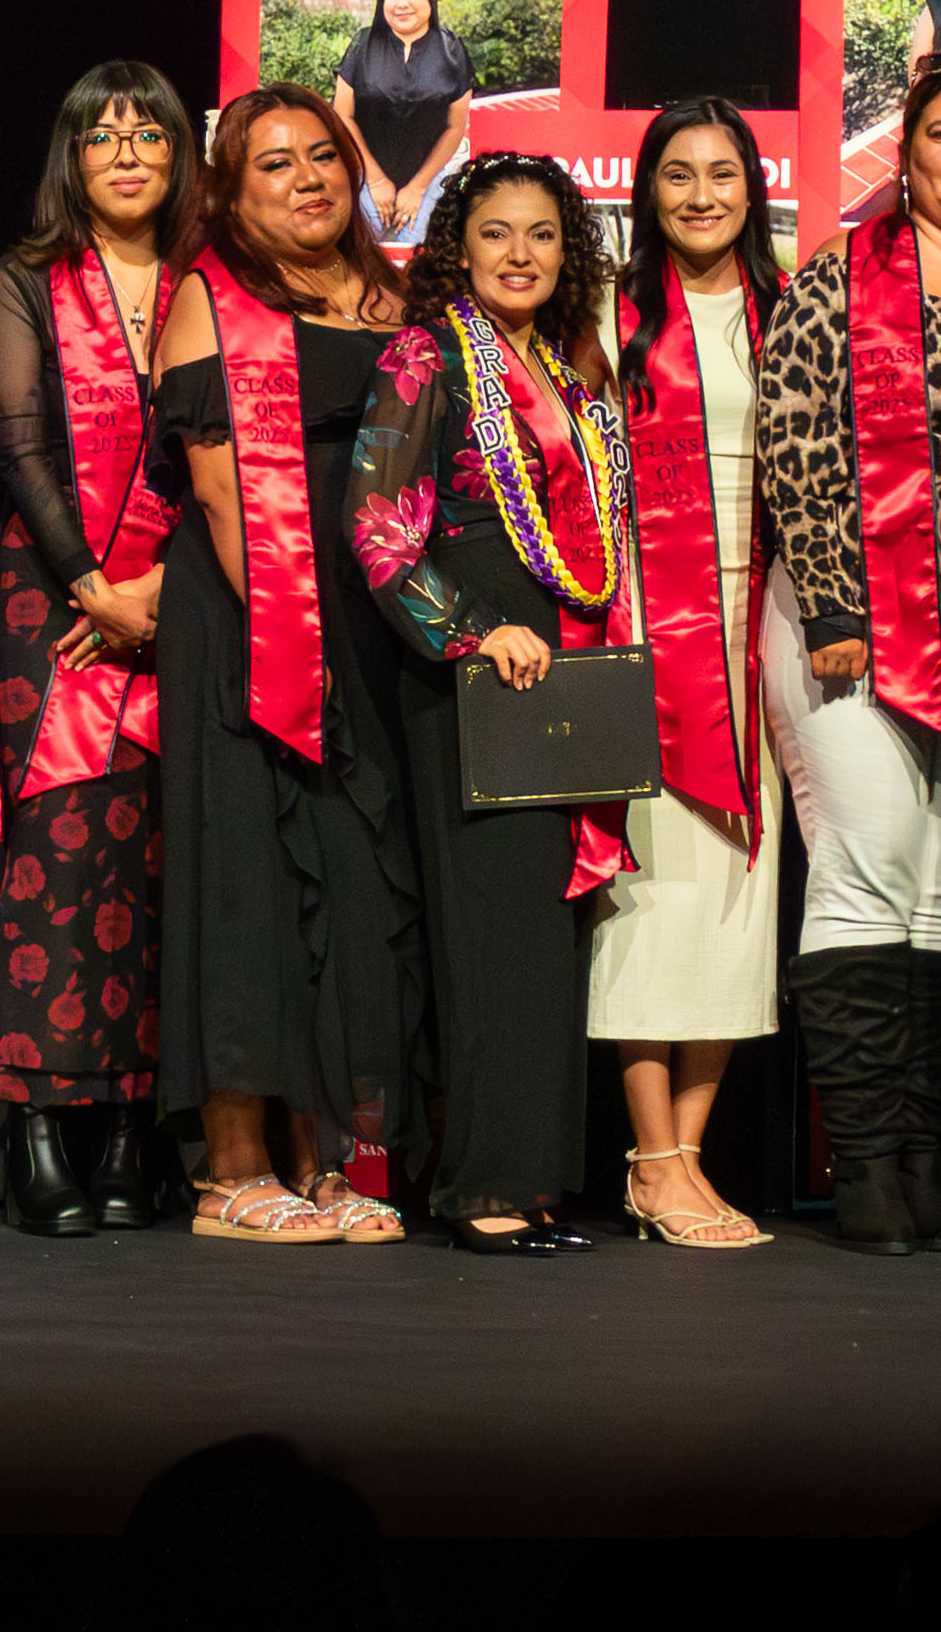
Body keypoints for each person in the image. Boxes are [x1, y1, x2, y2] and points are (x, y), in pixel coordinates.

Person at [753, 60, 941, 1254]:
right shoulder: (844, 271)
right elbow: (795, 431)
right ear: (908, 151)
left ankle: (928, 1151)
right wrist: (830, 605)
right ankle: (865, 1160)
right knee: (866, 865)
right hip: (848, 627)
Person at [149, 87, 430, 1248]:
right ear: (230, 189)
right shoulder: (212, 299)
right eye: (277, 164)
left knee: (352, 888)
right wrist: (288, 633)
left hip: (373, 622)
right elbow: (221, 492)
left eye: (325, 155)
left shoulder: (397, 295)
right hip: (251, 617)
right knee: (249, 887)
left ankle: (323, 1160)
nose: (310, 177)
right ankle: (227, 1170)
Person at [348, 151, 637, 1256]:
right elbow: (376, 525)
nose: (520, 254)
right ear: (457, 246)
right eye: (498, 233)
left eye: (543, 235)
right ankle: (477, 1187)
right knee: (488, 929)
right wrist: (470, 633)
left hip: (559, 670)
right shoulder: (426, 355)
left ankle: (532, 1174)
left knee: (546, 931)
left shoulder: (566, 369)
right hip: (472, 671)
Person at [0, 63, 197, 1232]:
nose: (124, 153)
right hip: (53, 607)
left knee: (156, 867)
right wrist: (98, 587)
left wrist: (159, 586)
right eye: (100, 136)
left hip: (180, 602)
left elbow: (227, 458)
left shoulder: (212, 283)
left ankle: (131, 1128)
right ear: (72, 156)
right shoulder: (25, 279)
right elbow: (22, 447)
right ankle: (40, 1124)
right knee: (57, 859)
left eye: (147, 132)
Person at [598, 100, 791, 1249]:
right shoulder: (606, 314)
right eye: (679, 174)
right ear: (649, 187)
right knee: (648, 899)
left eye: (723, 173)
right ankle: (651, 1153)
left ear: (753, 186)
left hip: (760, 622)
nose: (703, 194)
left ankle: (687, 1158)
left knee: (735, 899)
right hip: (637, 619)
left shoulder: (790, 310)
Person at [335, 0, 473, 253]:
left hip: (427, 176)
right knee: (361, 252)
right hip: (365, 172)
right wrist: (375, 179)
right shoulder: (363, 44)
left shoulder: (452, 50)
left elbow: (454, 127)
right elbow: (342, 116)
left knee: (417, 251)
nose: (402, 3)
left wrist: (417, 188)